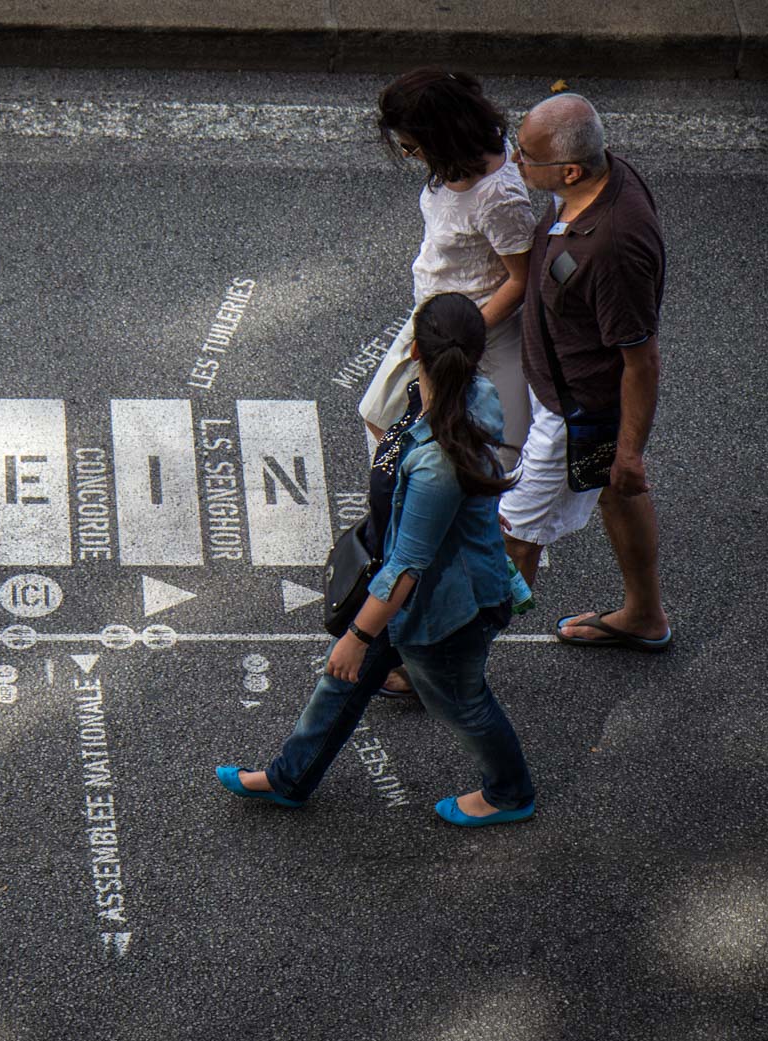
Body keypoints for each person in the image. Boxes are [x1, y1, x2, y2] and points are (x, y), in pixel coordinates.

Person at [217, 293, 536, 827]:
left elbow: (409, 565)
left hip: (444, 611)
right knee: (341, 683)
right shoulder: (470, 394)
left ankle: (510, 793)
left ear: (415, 350)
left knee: (462, 704)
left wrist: (358, 635)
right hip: (411, 594)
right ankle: (290, 777)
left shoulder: (437, 459)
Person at [362, 67, 537, 699]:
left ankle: (448, 642)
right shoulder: (450, 168)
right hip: (434, 324)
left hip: (473, 344)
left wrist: (455, 337)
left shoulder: (501, 197)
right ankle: (411, 531)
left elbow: (520, 281)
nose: (409, 156)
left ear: (442, 132)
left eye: (412, 144)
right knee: (380, 413)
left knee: (482, 491)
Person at [501, 93, 672, 652]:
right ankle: (646, 616)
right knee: (615, 495)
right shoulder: (598, 178)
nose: (514, 161)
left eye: (524, 155)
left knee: (514, 538)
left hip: (572, 415)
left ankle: (453, 664)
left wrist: (629, 452)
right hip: (557, 388)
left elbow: (640, 360)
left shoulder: (614, 247)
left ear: (569, 169)